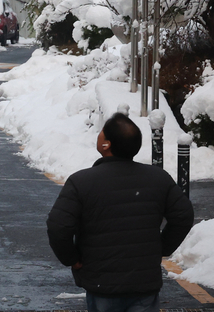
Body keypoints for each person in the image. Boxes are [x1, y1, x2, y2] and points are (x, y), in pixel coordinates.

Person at [46, 113, 194, 312]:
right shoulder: (158, 179)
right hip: (144, 283)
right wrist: (161, 248)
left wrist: (71, 259)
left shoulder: (81, 182)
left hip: (102, 284)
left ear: (106, 145)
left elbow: (58, 226)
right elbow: (183, 216)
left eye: (102, 133)